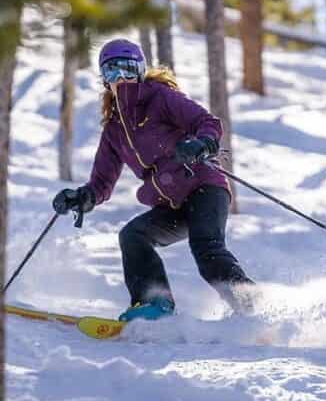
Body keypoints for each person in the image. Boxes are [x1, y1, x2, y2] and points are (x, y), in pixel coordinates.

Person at [53, 38, 254, 322]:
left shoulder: (160, 97)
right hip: (172, 203)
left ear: (140, 70)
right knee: (133, 236)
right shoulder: (115, 129)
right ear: (103, 79)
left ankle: (253, 308)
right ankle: (154, 303)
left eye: (126, 68)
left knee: (206, 248)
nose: (120, 77)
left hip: (203, 186)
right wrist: (81, 198)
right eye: (111, 71)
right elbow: (102, 183)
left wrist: (202, 144)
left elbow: (206, 122)